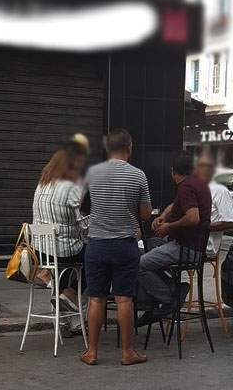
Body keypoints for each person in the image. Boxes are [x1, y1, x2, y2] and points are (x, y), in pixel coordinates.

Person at [79, 129, 151, 366]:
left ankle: (92, 352)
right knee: (124, 301)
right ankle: (128, 352)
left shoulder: (92, 173)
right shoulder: (138, 175)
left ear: (107, 149)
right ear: (129, 148)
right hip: (124, 246)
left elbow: (84, 208)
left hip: (97, 245)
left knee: (97, 299)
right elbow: (145, 213)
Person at [137, 151, 211, 327]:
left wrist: (170, 226)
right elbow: (176, 205)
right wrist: (163, 216)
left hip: (186, 248)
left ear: (172, 171)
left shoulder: (186, 187)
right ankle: (165, 292)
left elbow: (193, 217)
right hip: (193, 246)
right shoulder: (197, 183)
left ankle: (169, 295)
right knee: (150, 249)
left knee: (137, 265)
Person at [31, 148, 87, 335]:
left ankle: (63, 322)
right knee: (96, 259)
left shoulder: (42, 185)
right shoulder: (70, 187)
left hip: (40, 249)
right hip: (63, 250)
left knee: (62, 274)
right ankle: (70, 292)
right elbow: (82, 223)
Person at [193, 155, 233, 258]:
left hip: (203, 246)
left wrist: (204, 227)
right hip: (187, 241)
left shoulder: (220, 191)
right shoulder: (194, 187)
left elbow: (229, 222)